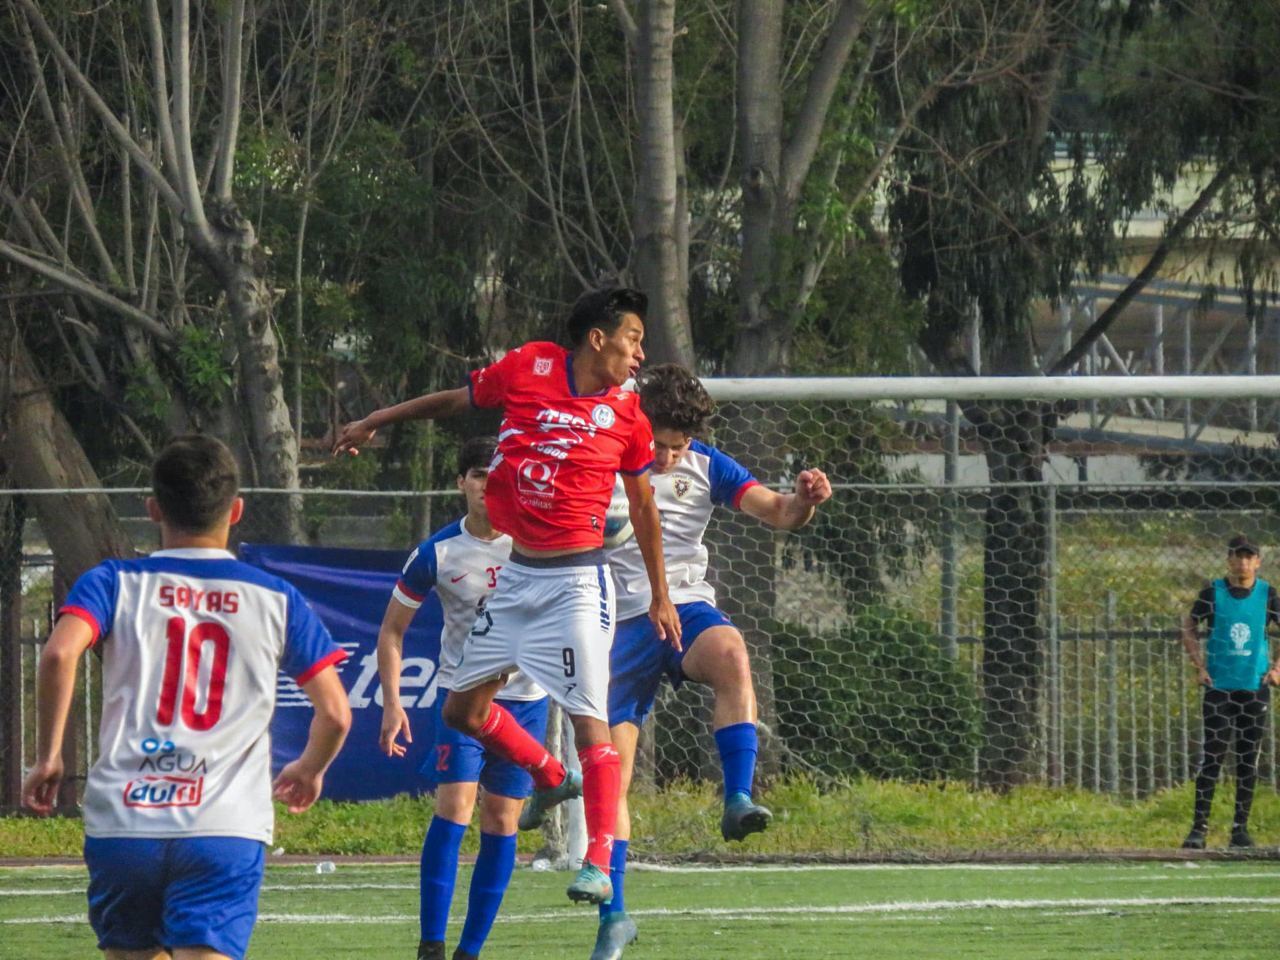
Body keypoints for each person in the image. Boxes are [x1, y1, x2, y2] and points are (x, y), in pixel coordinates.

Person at [334, 287, 680, 907]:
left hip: (578, 583)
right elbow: (454, 401)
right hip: (517, 575)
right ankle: (549, 774)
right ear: (597, 339)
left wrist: (661, 593)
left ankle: (597, 859)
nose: (639, 354)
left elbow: (646, 508)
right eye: (633, 339)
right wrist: (375, 421)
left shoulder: (629, 416)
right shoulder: (530, 366)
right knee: (461, 713)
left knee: (589, 723)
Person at [21, 434, 352, 960]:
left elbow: (60, 655)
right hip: (225, 823)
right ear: (237, 510)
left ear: (153, 508)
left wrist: (50, 756)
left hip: (126, 818)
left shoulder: (113, 582)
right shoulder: (274, 597)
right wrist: (310, 768)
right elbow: (335, 712)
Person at [590, 363, 832, 960]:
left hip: (686, 610)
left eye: (679, 447)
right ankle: (614, 917)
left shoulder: (707, 466)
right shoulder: (599, 463)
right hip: (616, 623)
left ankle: (737, 799)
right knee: (612, 775)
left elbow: (775, 511)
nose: (669, 459)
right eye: (660, 446)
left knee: (731, 653)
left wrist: (803, 502)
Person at [377, 437, 548, 960]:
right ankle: (431, 944)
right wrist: (392, 702)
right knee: (454, 805)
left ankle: (469, 951)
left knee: (502, 819)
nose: (487, 485)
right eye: (478, 474)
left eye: (497, 475)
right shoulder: (437, 553)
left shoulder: (537, 543)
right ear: (462, 483)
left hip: (526, 700)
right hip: (461, 700)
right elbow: (391, 632)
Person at [1180, 533, 1280, 850]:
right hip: (1219, 688)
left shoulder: (1267, 594)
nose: (1243, 562)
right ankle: (1199, 828)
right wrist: (1200, 666)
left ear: (1258, 562)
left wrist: (1276, 669)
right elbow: (1189, 626)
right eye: (1237, 555)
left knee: (1247, 760)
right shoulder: (1213, 592)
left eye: (1249, 556)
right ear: (1228, 559)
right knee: (1213, 756)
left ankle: (1240, 829)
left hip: (1254, 687)